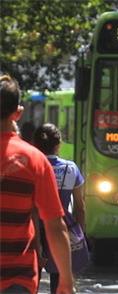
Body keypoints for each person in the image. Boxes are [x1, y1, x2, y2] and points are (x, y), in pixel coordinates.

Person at [0, 75, 74, 294]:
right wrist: (66, 280)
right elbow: (55, 226)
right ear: (18, 112)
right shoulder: (35, 160)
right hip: (18, 277)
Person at [32, 123, 86, 294]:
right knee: (60, 281)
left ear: (35, 145)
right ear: (59, 145)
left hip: (32, 230)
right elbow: (80, 207)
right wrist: (80, 236)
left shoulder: (31, 167)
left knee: (31, 282)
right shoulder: (71, 168)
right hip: (60, 230)